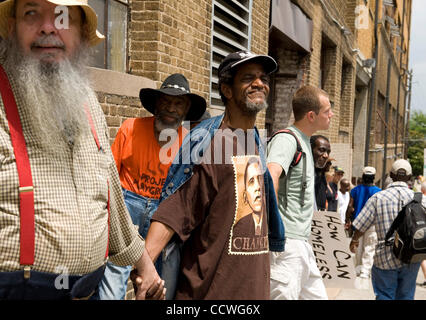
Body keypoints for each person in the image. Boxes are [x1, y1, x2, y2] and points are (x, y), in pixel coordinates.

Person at [0, 0, 164, 299]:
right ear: (12, 27)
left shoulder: (86, 101)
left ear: (80, 33)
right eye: (32, 13)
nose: (49, 27)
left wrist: (144, 265)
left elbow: (109, 191)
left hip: (85, 291)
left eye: (63, 17)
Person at [139, 50, 285, 299]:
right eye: (248, 78)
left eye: (263, 78)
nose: (259, 83)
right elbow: (175, 210)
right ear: (227, 90)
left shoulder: (256, 140)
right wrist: (143, 269)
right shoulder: (207, 142)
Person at [95, 74, 206, 300]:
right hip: (128, 210)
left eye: (178, 104)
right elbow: (110, 179)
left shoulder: (190, 142)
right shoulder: (131, 128)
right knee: (113, 281)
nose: (170, 108)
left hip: (165, 217)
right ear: (156, 104)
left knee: (162, 286)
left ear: (186, 110)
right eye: (165, 101)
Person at [267, 85, 333, 300]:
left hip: (302, 244)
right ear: (311, 115)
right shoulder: (287, 139)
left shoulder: (305, 141)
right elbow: (270, 176)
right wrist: (275, 229)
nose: (331, 115)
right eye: (327, 111)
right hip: (287, 245)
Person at [350, 159, 426, 300]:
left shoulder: (378, 198)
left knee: (384, 295)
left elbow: (361, 225)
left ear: (391, 175)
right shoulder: (421, 200)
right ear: (410, 177)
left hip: (384, 256)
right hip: (411, 256)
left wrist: (354, 240)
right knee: (406, 296)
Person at [345, 166, 381, 278]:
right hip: (372, 224)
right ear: (374, 178)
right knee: (369, 247)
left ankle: (358, 268)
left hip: (358, 223)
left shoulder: (355, 190)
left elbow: (350, 207)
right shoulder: (378, 192)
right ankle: (365, 271)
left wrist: (348, 220)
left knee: (358, 246)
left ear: (363, 176)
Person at [310, 135, 331, 211]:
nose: (326, 155)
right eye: (322, 150)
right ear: (310, 149)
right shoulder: (304, 173)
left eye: (328, 152)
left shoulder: (320, 174)